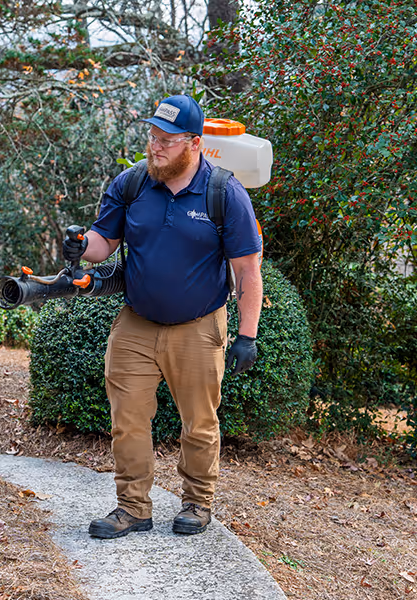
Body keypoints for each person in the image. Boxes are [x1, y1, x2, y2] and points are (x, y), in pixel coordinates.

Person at [62, 94, 263, 538]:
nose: (155, 147)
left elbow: (248, 270)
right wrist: (82, 245)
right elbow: (104, 241)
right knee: (127, 419)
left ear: (194, 143)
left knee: (199, 422)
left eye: (167, 141)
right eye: (152, 137)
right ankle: (133, 507)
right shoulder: (132, 184)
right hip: (136, 323)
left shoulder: (223, 193)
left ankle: (197, 501)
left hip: (198, 326)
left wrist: (247, 335)